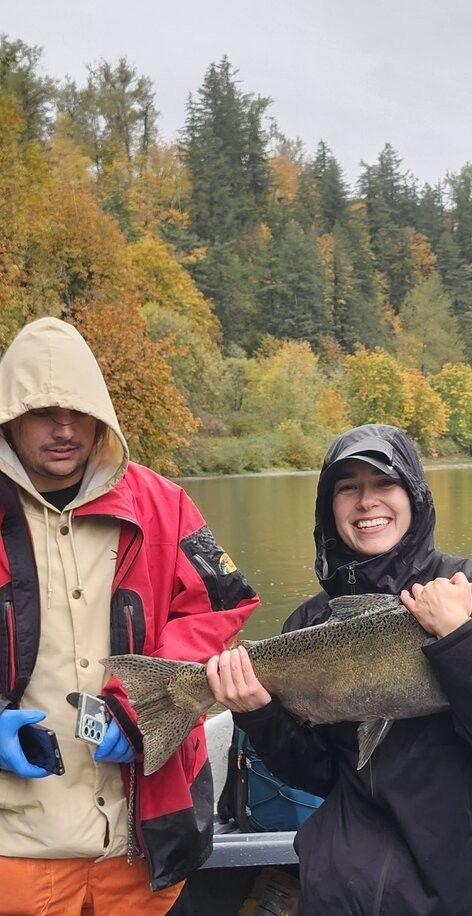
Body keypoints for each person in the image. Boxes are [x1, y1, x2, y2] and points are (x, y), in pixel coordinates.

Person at [207, 424, 472, 916]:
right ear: (330, 508)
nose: (366, 502)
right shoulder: (310, 625)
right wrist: (259, 714)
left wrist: (458, 640)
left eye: (384, 484)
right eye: (348, 488)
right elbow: (320, 773)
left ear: (413, 495)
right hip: (353, 895)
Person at [0, 317, 260, 915]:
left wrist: (144, 703)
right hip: (15, 853)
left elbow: (222, 605)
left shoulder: (163, 504)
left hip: (144, 846)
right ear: (12, 416)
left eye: (79, 411)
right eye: (44, 413)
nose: (64, 430)